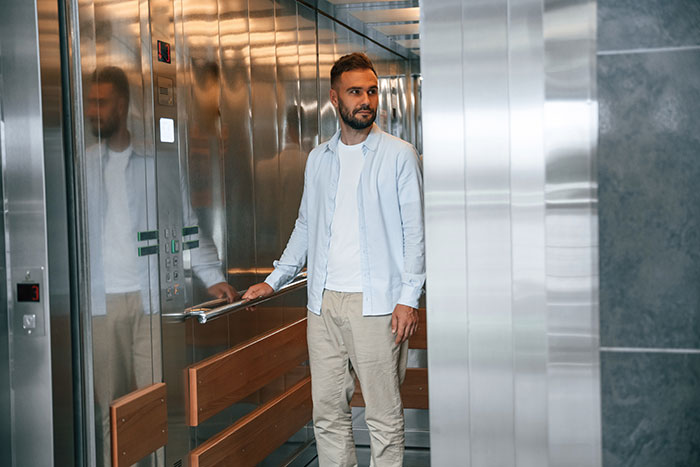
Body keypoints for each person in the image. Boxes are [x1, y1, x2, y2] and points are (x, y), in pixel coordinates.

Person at [243, 53, 425, 467]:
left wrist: (408, 297)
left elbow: (415, 230)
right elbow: (306, 225)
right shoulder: (318, 159)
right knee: (327, 414)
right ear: (334, 98)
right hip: (322, 303)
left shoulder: (399, 155)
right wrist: (275, 279)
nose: (366, 100)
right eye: (355, 91)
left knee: (383, 416)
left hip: (377, 305)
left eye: (372, 91)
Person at [85, 65, 238, 466]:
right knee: (107, 407)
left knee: (151, 403)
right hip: (99, 304)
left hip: (149, 299)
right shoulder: (81, 165)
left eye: (101, 102)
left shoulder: (157, 163)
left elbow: (185, 225)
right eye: (90, 103)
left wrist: (212, 276)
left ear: (121, 104)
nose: (92, 111)